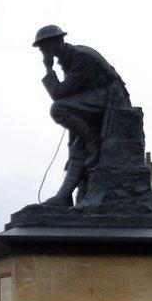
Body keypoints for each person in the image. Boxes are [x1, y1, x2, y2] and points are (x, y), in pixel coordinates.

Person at [34, 25, 131, 206]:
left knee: (58, 109)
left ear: (55, 42)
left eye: (43, 46)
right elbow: (69, 92)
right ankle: (63, 196)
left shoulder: (80, 57)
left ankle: (92, 141)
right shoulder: (67, 58)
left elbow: (59, 94)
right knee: (76, 147)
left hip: (111, 98)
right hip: (95, 99)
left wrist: (48, 69)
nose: (41, 51)